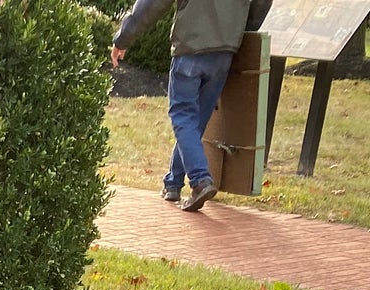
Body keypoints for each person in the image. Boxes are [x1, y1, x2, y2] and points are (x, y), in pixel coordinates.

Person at [111, 0, 271, 212]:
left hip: (191, 46)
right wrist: (242, 30)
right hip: (225, 50)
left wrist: (123, 38)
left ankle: (200, 180)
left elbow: (152, 4)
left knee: (183, 117)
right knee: (194, 121)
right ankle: (173, 182)